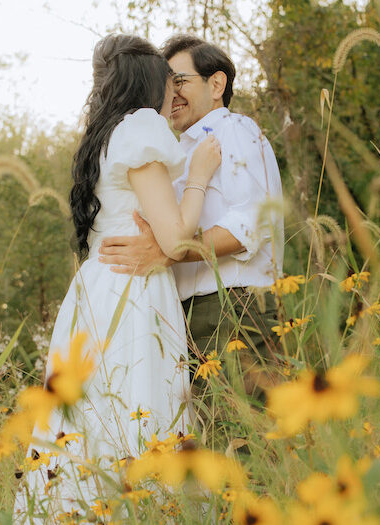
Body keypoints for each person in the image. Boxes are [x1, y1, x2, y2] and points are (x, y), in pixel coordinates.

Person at [12, 34, 222, 522]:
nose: (173, 94)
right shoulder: (141, 128)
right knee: (139, 404)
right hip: (134, 288)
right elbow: (173, 242)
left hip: (95, 290)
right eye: (169, 82)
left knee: (90, 417)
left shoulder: (104, 135)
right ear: (148, 81)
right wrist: (199, 174)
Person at [97, 35, 284, 442]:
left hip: (232, 309)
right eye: (167, 81)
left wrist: (171, 254)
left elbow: (250, 224)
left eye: (180, 80)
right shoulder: (180, 148)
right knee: (209, 446)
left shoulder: (234, 132)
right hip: (190, 315)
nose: (171, 91)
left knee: (241, 441)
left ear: (216, 85)